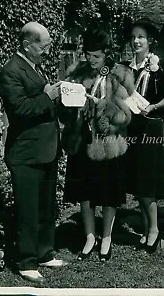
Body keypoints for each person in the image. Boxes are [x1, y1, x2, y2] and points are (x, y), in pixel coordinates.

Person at [0, 21, 67, 283]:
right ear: (27, 45)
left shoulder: (33, 66)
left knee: (45, 206)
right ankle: (26, 261)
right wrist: (48, 97)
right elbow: (19, 110)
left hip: (46, 149)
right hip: (26, 152)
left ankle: (44, 252)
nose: (47, 50)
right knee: (28, 208)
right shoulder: (10, 71)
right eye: (44, 45)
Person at [60, 27, 135, 262]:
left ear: (107, 54)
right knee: (85, 191)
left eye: (96, 56)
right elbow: (65, 111)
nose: (91, 60)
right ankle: (89, 236)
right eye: (88, 55)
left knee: (108, 192)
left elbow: (126, 116)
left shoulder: (118, 75)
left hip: (108, 143)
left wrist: (104, 106)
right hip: (83, 141)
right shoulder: (76, 73)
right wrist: (69, 103)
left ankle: (107, 237)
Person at [123, 18, 164, 253]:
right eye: (134, 37)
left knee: (147, 181)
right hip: (131, 128)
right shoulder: (125, 68)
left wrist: (153, 107)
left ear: (150, 41)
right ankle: (146, 229)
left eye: (141, 37)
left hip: (150, 126)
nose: (136, 41)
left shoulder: (160, 66)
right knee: (136, 181)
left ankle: (154, 230)